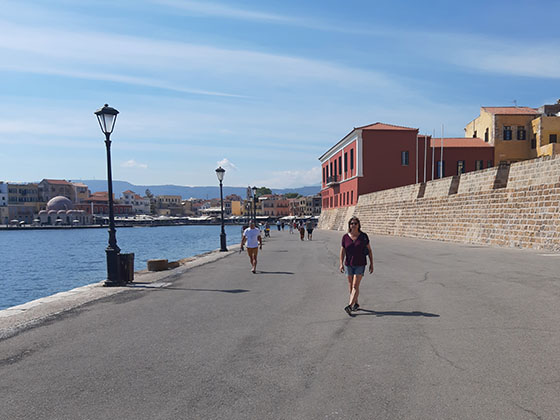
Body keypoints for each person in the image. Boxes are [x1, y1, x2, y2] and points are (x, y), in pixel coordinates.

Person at [339, 217, 374, 316]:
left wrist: (371, 263)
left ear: (358, 225)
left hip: (360, 264)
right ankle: (356, 303)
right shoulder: (345, 237)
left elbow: (369, 250)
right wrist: (341, 263)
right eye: (351, 223)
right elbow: (342, 251)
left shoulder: (363, 236)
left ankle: (349, 306)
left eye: (355, 223)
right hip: (348, 264)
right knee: (351, 287)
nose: (353, 225)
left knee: (355, 286)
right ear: (349, 225)